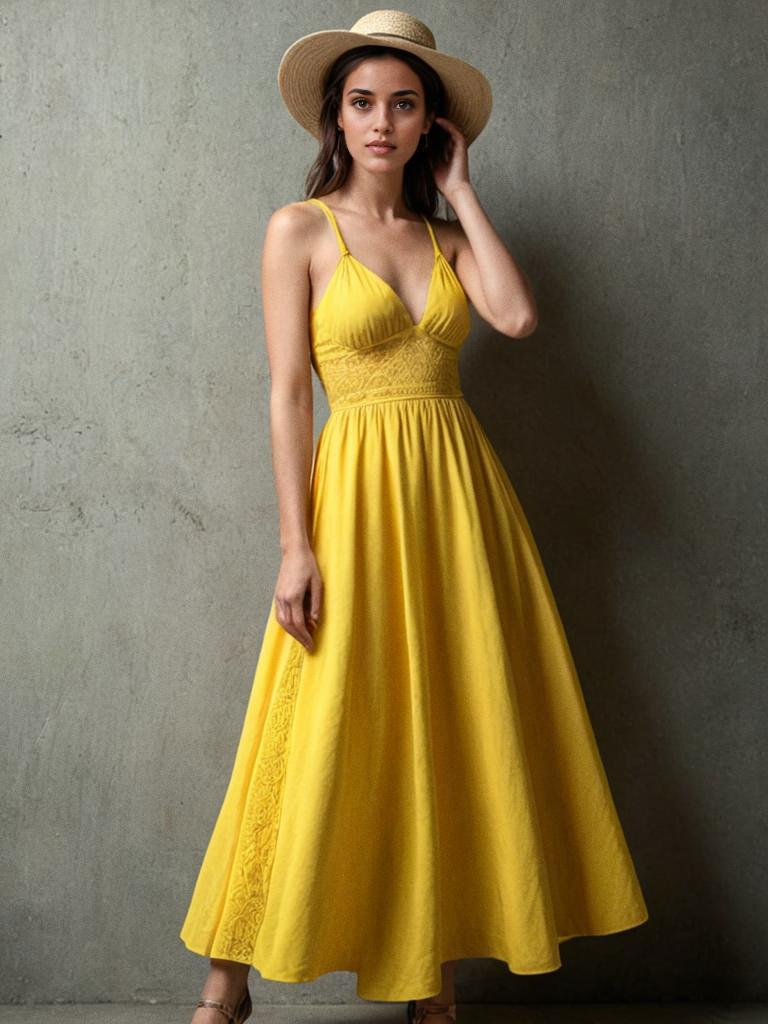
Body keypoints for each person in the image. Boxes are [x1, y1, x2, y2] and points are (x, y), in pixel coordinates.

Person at [180, 10, 649, 1024]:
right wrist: (295, 545)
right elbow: (286, 395)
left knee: (445, 724)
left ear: (431, 123)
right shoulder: (298, 231)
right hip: (351, 499)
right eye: (362, 104)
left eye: (404, 104)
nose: (381, 122)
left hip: (458, 502)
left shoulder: (442, 234)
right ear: (334, 120)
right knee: (308, 723)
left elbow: (516, 317)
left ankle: (427, 978)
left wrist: (465, 192)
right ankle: (226, 981)